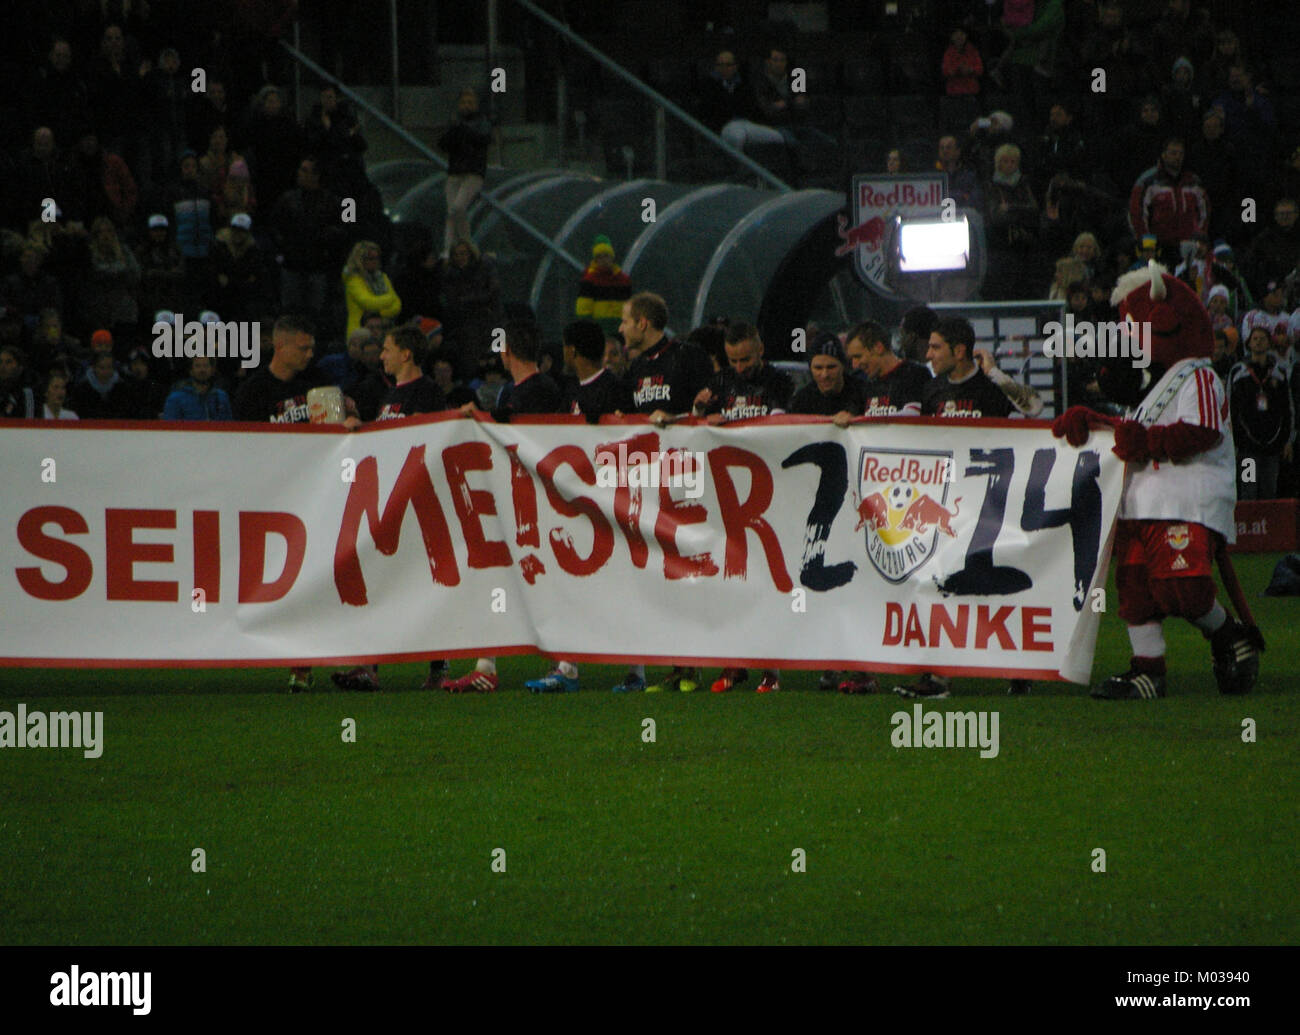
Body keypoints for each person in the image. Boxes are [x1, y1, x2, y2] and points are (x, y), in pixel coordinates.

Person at [1053, 264, 1260, 699]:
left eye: (1134, 328)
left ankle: (1226, 634)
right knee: (1134, 590)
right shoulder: (1154, 385)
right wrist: (1093, 422)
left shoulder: (1197, 374)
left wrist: (1145, 441)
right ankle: (1147, 670)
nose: (1129, 339)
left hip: (1185, 499)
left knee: (1182, 588)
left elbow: (1202, 431)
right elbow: (1132, 430)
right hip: (1139, 502)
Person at [892, 316, 1029, 699]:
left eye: (935, 347)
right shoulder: (931, 389)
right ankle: (938, 678)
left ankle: (1020, 669)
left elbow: (1034, 411)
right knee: (939, 582)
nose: (928, 354)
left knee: (992, 584)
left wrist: (998, 375)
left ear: (960, 351)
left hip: (992, 503)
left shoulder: (990, 388)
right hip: (948, 507)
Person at [445, 321, 563, 695]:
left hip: (539, 500)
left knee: (545, 580)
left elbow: (527, 438)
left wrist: (484, 420)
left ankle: (566, 665)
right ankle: (487, 665)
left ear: (506, 351)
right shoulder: (512, 391)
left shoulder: (541, 390)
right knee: (496, 576)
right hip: (512, 499)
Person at [332, 325, 450, 693]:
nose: (380, 355)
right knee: (378, 581)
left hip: (416, 502)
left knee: (424, 584)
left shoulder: (428, 392)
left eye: (386, 349)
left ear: (406, 354)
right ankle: (369, 666)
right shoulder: (388, 397)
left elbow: (430, 440)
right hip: (387, 503)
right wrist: (360, 426)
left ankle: (438, 667)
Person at [614, 291, 713, 694]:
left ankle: (695, 663)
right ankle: (675, 665)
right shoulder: (635, 368)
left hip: (688, 478)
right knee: (658, 569)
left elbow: (708, 408)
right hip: (650, 482)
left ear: (643, 322)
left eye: (624, 320)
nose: (619, 328)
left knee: (688, 567)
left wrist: (676, 420)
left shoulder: (687, 357)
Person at [1228, 327, 1292, 500]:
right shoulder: (1238, 372)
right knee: (1248, 490)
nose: (1258, 341)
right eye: (1255, 338)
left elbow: (1288, 408)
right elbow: (1230, 408)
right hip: (1247, 447)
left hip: (1272, 446)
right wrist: (1233, 441)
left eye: (1262, 338)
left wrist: (1287, 440)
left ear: (1269, 342)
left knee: (1269, 491)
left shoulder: (1280, 372)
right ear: (1248, 343)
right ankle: (1250, 527)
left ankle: (1268, 527)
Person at [1128, 137, 1211, 267]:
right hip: (1159, 246)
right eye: (1173, 153)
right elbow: (1137, 213)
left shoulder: (1193, 182)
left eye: (1180, 154)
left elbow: (1204, 212)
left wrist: (1200, 238)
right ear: (1164, 155)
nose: (1177, 157)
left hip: (1187, 245)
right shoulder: (1148, 181)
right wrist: (1145, 241)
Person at [691, 321, 793, 423]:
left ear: (760, 350)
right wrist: (699, 410)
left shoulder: (779, 381)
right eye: (733, 361)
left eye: (745, 360)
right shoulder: (720, 381)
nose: (740, 368)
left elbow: (778, 424)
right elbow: (696, 426)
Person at [438, 88, 491, 257]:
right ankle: (449, 249)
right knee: (451, 212)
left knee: (457, 208)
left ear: (476, 105)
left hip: (473, 172)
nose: (466, 106)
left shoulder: (482, 122)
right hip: (455, 171)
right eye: (463, 102)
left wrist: (461, 130)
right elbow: (443, 143)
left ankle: (466, 243)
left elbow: (482, 139)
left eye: (470, 103)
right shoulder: (455, 123)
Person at [790, 331, 866, 418]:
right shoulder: (801, 401)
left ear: (843, 367)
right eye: (818, 368)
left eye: (831, 367)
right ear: (810, 369)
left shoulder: (863, 393)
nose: (825, 375)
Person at [574, 236, 632, 336]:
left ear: (612, 257)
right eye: (599, 257)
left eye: (606, 256)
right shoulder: (589, 280)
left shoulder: (623, 280)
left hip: (620, 331)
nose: (603, 260)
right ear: (595, 260)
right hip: (598, 332)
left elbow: (630, 307)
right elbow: (583, 310)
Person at [342, 241, 401, 337]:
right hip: (360, 333)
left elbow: (397, 306)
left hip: (384, 331)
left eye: (377, 258)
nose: (375, 261)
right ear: (360, 259)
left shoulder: (382, 277)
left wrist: (377, 314)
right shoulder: (353, 279)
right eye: (370, 258)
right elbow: (368, 302)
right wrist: (390, 298)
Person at [163, 355, 233, 421]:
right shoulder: (176, 398)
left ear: (212, 370)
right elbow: (170, 428)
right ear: (191, 371)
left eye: (206, 366)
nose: (202, 370)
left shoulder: (221, 396)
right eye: (197, 366)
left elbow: (229, 425)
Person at [941, 26, 983, 96]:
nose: (959, 37)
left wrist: (970, 70)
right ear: (952, 37)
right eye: (956, 34)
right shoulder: (948, 53)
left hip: (971, 91)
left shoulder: (973, 51)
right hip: (954, 92)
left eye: (961, 34)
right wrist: (956, 70)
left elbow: (980, 69)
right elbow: (945, 71)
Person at [0, 346, 38, 418]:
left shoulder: (26, 392)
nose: (2, 366)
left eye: (8, 362)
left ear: (20, 367)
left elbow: (29, 422)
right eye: (0, 362)